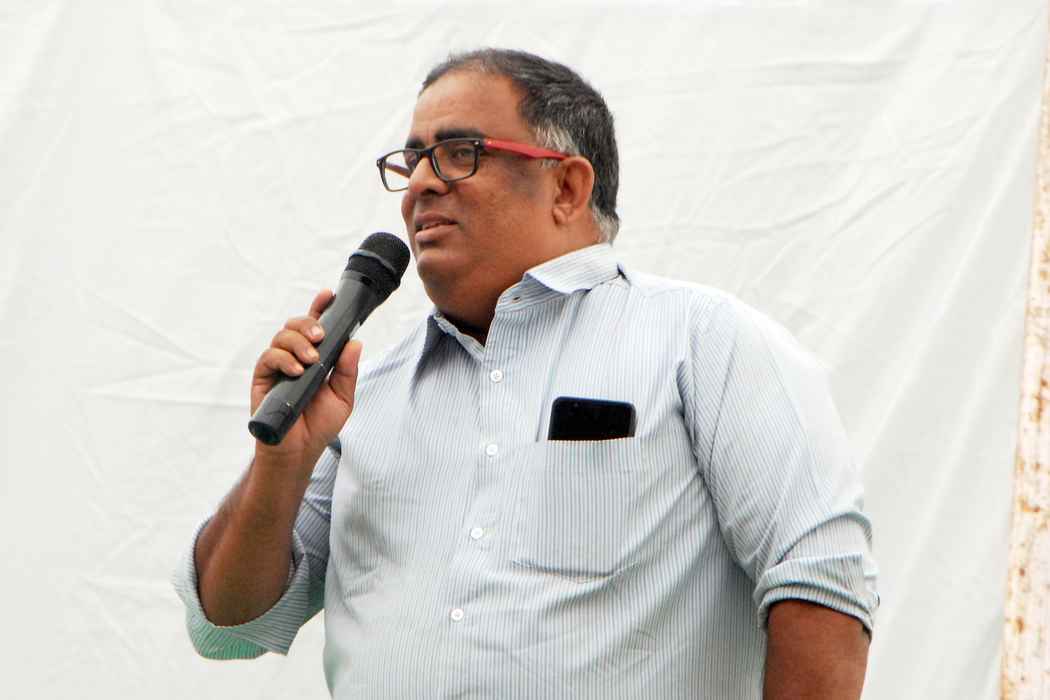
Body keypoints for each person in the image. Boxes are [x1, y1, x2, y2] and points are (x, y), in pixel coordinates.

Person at [174, 48, 879, 699]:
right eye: (412, 161)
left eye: (459, 153)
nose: (421, 185)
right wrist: (281, 463)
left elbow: (820, 580)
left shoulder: (704, 341)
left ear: (566, 187)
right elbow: (228, 627)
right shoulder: (364, 397)